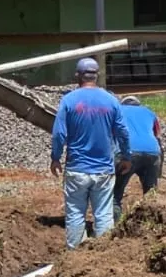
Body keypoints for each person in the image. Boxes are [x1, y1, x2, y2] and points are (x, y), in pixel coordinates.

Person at [50, 57, 130, 249]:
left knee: (76, 214)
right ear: (97, 75)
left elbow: (59, 134)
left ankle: (74, 256)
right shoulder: (111, 100)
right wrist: (126, 156)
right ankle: (102, 255)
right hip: (103, 170)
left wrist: (55, 157)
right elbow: (123, 132)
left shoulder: (69, 100)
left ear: (77, 76)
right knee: (103, 214)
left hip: (77, 169)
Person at [114, 95, 163, 218]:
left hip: (128, 153)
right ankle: (152, 223)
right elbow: (158, 138)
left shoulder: (117, 110)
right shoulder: (149, 112)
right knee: (151, 194)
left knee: (115, 194)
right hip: (153, 152)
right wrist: (159, 170)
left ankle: (113, 227)